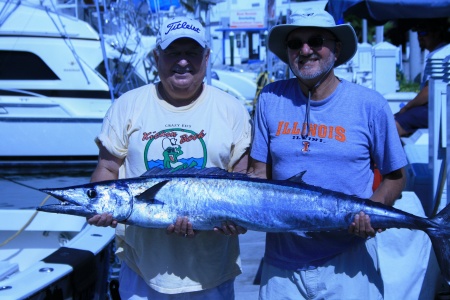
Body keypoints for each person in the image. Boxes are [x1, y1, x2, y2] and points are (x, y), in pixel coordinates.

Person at [87, 16, 252, 299]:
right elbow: (106, 167)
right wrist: (98, 207)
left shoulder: (232, 109)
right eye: (173, 52)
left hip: (211, 272)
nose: (183, 61)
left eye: (192, 53)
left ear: (207, 56)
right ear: (156, 57)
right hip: (142, 271)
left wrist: (236, 221)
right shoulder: (128, 105)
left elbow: (243, 182)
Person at [249, 8, 407, 299]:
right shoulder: (270, 99)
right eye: (296, 43)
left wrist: (374, 207)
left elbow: (395, 177)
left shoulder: (370, 105)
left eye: (316, 40)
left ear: (336, 48)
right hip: (281, 269)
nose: (305, 50)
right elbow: (259, 174)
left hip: (349, 261)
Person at [395, 18, 449, 137]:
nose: (420, 37)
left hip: (439, 109)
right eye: (418, 33)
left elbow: (430, 91)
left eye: (423, 33)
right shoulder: (438, 52)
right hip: (436, 107)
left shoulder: (441, 54)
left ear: (437, 34)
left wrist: (407, 108)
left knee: (393, 125)